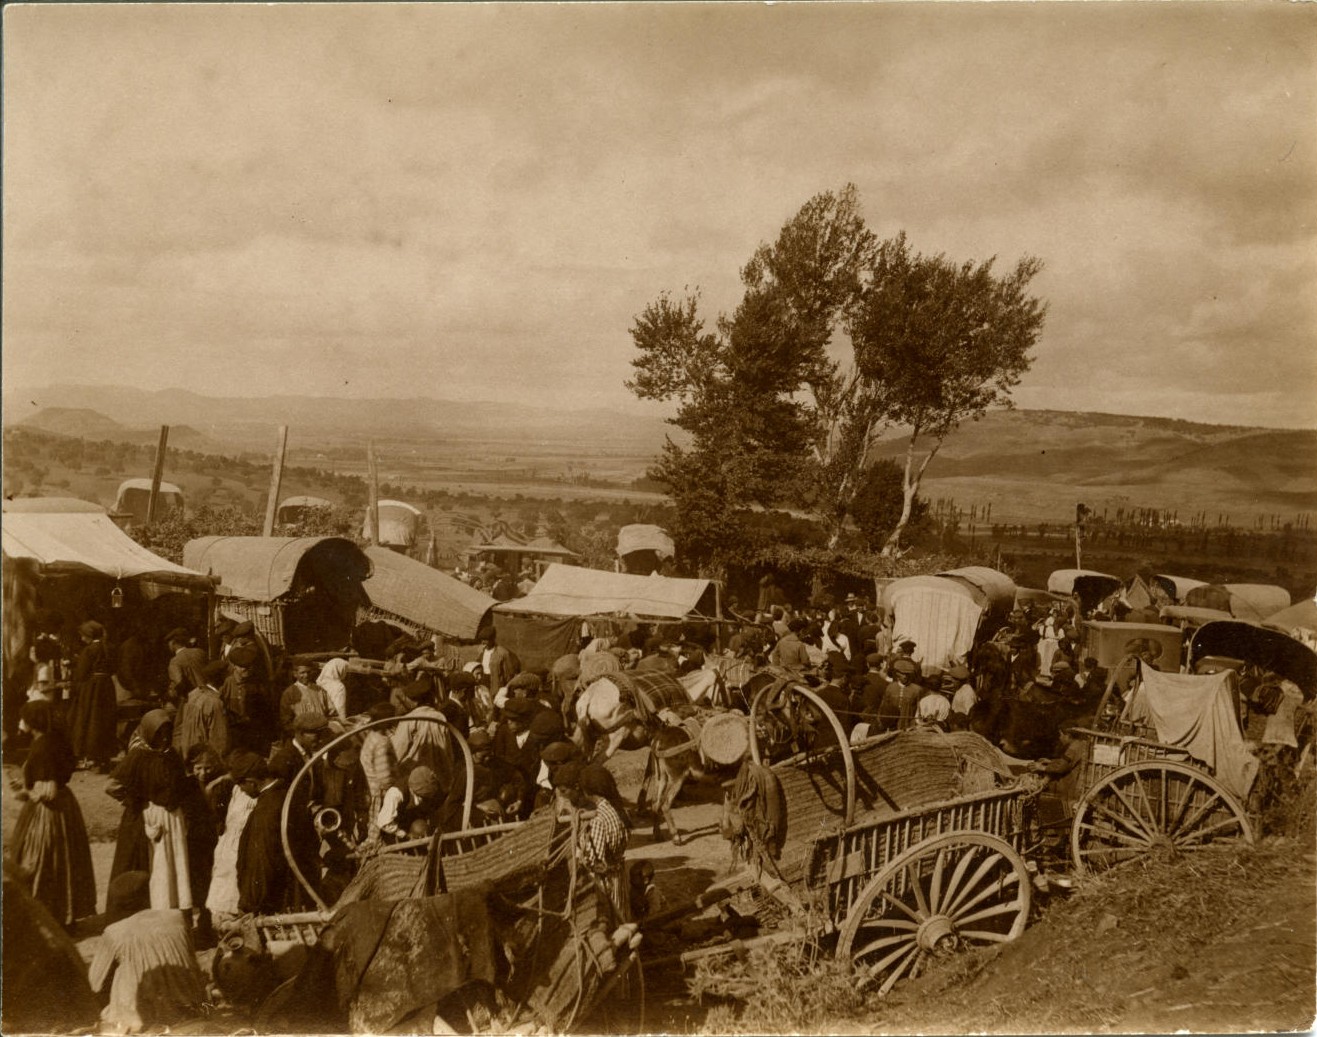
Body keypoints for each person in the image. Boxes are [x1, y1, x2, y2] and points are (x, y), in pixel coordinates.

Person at [9, 699, 97, 928]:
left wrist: (25, 791)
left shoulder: (43, 746)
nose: (22, 722)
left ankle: (46, 915)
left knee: (43, 860)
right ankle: (63, 914)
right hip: (65, 805)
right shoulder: (54, 741)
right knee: (65, 860)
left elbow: (47, 791)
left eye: (25, 718)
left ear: (33, 721)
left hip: (49, 812)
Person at [88, 885, 207, 1034]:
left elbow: (94, 983)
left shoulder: (114, 932)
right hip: (189, 1008)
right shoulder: (176, 917)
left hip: (140, 1020)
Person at [106, 710, 192, 912]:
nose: (163, 738)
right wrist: (133, 798)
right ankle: (153, 909)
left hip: (174, 820)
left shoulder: (172, 755)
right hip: (149, 817)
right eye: (158, 733)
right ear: (149, 732)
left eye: (167, 733)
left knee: (174, 864)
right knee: (155, 864)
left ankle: (175, 908)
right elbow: (111, 785)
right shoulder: (138, 756)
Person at [205, 751, 262, 929]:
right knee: (223, 883)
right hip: (229, 845)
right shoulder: (238, 788)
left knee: (236, 887)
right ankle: (223, 923)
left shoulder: (254, 794)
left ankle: (236, 924)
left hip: (242, 846)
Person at [236, 760, 294, 915]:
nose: (242, 792)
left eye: (242, 787)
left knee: (276, 929)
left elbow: (261, 859)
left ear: (252, 782)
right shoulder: (285, 795)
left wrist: (250, 901)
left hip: (270, 899)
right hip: (287, 892)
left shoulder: (267, 808)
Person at [69, 620, 118, 771]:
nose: (82, 639)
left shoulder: (89, 650)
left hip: (93, 688)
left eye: (83, 636)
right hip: (107, 686)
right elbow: (114, 667)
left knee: (89, 719)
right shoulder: (109, 648)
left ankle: (90, 756)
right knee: (104, 719)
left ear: (89, 636)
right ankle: (103, 756)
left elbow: (82, 672)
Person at [173, 658, 230, 763]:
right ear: (223, 680)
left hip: (188, 755)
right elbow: (219, 741)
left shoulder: (193, 694)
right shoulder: (215, 703)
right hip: (204, 761)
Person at [359, 702, 399, 838]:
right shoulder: (382, 741)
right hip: (379, 792)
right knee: (378, 827)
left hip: (370, 788)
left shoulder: (371, 736)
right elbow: (385, 776)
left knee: (372, 824)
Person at [375, 765, 446, 843]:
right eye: (420, 797)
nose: (422, 799)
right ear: (412, 790)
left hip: (414, 818)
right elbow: (384, 823)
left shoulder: (432, 784)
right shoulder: (395, 794)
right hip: (395, 828)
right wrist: (406, 835)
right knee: (418, 829)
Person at [279, 660, 331, 737]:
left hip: (321, 733)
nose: (306, 675)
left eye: (308, 672)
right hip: (301, 735)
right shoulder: (289, 693)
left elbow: (331, 712)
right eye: (302, 673)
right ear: (295, 674)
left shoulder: (320, 690)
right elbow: (286, 720)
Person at [316, 657, 351, 724]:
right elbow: (340, 709)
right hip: (332, 721)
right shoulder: (339, 687)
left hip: (319, 719)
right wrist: (343, 720)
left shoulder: (318, 683)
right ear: (340, 670)